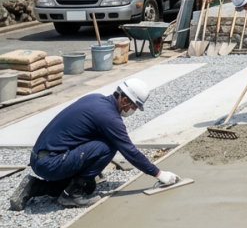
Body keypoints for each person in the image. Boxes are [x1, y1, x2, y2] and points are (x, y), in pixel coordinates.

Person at [9, 79, 178, 211]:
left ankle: (35, 187)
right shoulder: (110, 118)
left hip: (41, 158)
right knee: (110, 145)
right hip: (51, 163)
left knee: (89, 186)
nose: (132, 110)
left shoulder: (95, 98)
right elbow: (130, 151)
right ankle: (71, 194)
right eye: (134, 106)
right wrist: (159, 174)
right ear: (124, 99)